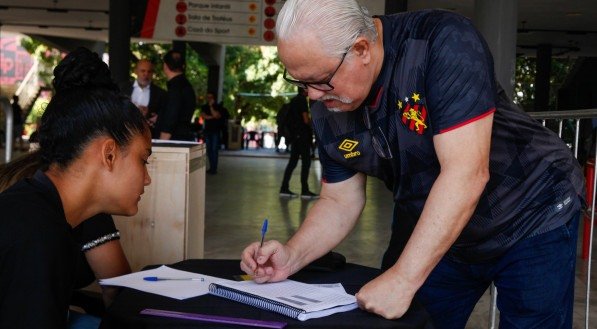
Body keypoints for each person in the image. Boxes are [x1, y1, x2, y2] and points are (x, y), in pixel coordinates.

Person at [240, 1, 585, 328]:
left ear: (361, 49)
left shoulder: (442, 43)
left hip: (531, 208)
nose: (312, 96)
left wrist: (405, 278)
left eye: (318, 80)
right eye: (300, 83)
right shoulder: (326, 100)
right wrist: (293, 255)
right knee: (406, 321)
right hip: (435, 219)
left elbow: (465, 173)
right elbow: (338, 200)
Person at [0, 47, 151, 329]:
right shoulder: (40, 237)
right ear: (108, 154)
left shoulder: (40, 204)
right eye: (143, 160)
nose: (147, 178)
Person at [0, 151, 131, 313]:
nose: (147, 179)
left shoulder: (18, 178)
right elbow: (116, 287)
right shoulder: (77, 196)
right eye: (142, 161)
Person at [279, 88, 319, 199]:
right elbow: (305, 120)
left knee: (292, 162)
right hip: (302, 136)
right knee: (306, 162)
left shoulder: (294, 100)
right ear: (304, 89)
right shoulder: (302, 101)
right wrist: (314, 123)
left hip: (295, 136)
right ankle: (305, 190)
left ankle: (284, 188)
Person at [156, 50, 196, 141]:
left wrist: (162, 142)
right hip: (183, 138)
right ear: (183, 66)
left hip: (173, 140)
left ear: (165, 66)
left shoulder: (175, 88)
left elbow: (171, 116)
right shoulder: (186, 86)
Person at [124, 59, 168, 138]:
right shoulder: (124, 89)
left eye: (149, 71)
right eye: (143, 71)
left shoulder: (160, 94)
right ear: (136, 71)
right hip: (125, 135)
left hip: (149, 137)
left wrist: (148, 112)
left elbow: (163, 116)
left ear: (152, 73)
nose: (146, 74)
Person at [200, 91, 224, 174]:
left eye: (211, 97)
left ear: (214, 98)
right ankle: (211, 167)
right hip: (207, 131)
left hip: (215, 131)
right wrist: (212, 116)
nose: (209, 99)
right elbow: (204, 116)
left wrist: (211, 107)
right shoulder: (203, 107)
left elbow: (217, 116)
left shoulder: (218, 106)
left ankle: (214, 169)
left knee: (214, 150)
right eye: (208, 97)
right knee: (209, 150)